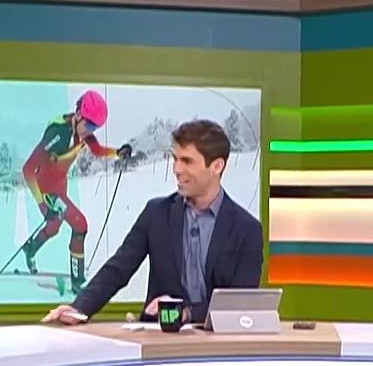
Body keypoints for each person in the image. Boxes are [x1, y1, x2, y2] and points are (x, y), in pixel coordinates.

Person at [43, 119, 262, 326]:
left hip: (220, 345)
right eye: (175, 159)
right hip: (159, 340)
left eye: (187, 161)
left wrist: (186, 313)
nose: (176, 169)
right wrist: (79, 308)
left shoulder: (247, 229)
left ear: (217, 166)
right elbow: (118, 269)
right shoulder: (156, 214)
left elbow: (240, 303)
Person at [21, 89, 133, 294]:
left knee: (54, 227)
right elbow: (28, 170)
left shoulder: (82, 131)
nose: (91, 131)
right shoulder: (59, 134)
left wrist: (118, 153)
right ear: (79, 114)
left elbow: (97, 149)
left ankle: (30, 249)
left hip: (60, 187)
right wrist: (43, 205)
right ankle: (77, 282)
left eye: (96, 127)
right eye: (90, 125)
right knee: (80, 225)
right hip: (47, 189)